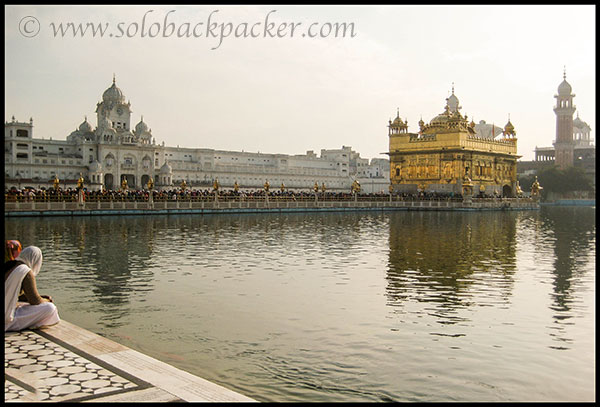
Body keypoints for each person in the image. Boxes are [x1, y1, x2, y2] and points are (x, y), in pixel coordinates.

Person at [5, 246, 60, 332]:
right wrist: (46, 300)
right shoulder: (25, 271)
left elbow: (18, 296)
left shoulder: (10, 265)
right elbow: (35, 300)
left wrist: (41, 296)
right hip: (6, 320)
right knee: (50, 308)